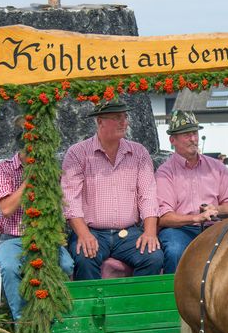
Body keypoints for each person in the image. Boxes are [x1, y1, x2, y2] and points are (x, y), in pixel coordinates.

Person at [61, 98, 163, 280]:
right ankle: (94, 307)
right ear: (100, 121)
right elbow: (70, 200)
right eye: (117, 117)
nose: (124, 122)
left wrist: (149, 232)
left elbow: (148, 195)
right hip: (92, 230)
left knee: (153, 256)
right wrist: (83, 234)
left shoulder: (139, 152)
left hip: (128, 232)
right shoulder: (78, 153)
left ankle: (134, 305)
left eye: (124, 116)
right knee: (85, 258)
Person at [0, 121, 75, 321]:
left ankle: (59, 319)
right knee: (11, 267)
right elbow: (6, 209)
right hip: (12, 239)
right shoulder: (3, 170)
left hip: (44, 238)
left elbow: (62, 205)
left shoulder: (52, 171)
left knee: (66, 265)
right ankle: (24, 322)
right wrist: (30, 179)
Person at [155, 111, 228, 273]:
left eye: (195, 133)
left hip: (214, 227)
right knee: (174, 250)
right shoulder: (165, 172)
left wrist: (215, 209)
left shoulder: (217, 167)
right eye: (186, 134)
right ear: (173, 140)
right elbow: (164, 218)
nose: (193, 138)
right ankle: (174, 295)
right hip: (180, 230)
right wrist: (196, 217)